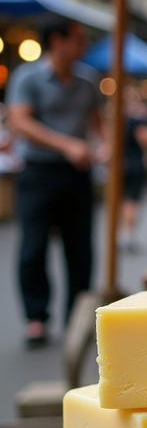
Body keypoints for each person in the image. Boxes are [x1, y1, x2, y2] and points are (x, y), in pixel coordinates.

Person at [6, 17, 104, 347]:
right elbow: (20, 122)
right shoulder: (28, 77)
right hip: (38, 172)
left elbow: (98, 124)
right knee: (33, 247)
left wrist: (105, 148)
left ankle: (76, 318)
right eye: (79, 39)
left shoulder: (87, 82)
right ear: (58, 41)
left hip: (78, 174)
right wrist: (67, 145)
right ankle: (36, 316)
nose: (84, 45)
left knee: (80, 250)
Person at [120, 84, 147, 252]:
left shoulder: (115, 117)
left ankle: (121, 234)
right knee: (132, 202)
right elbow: (145, 141)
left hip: (119, 165)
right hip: (134, 164)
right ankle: (128, 236)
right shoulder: (137, 119)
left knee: (121, 202)